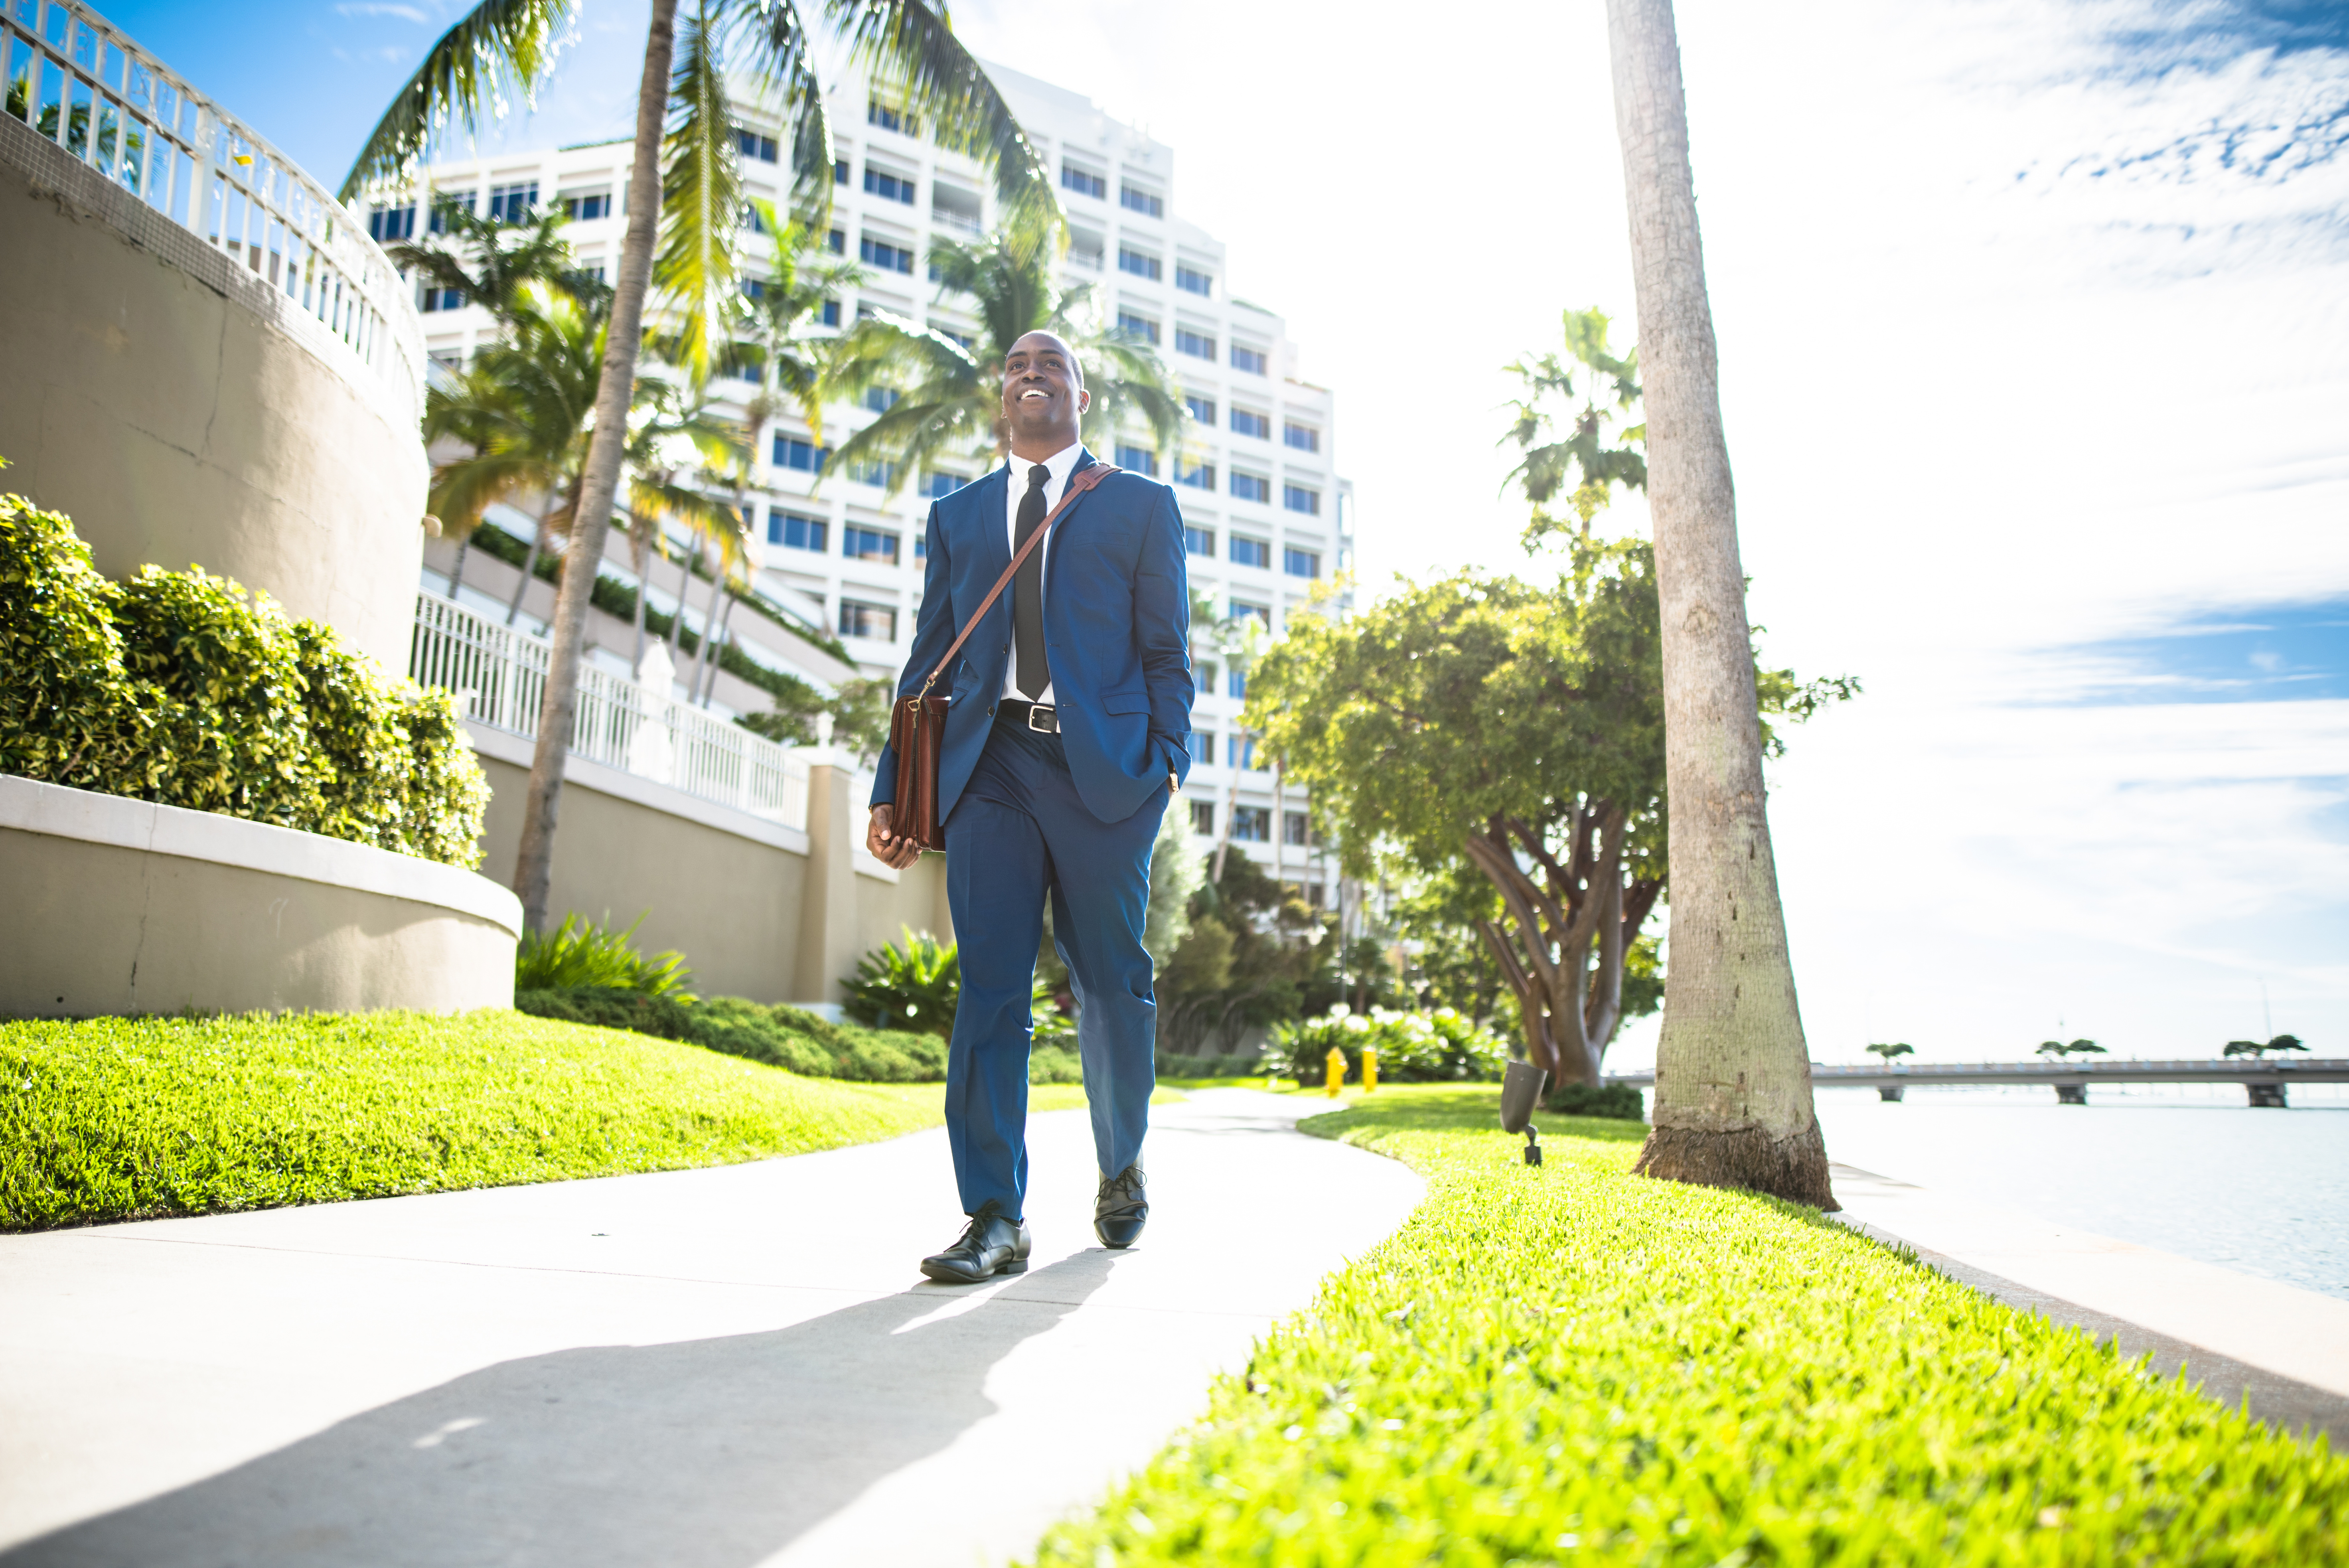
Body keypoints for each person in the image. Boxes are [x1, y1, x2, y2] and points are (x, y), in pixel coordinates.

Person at [865, 330, 1194, 1284]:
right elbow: (927, 662)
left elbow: (1167, 653)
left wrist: (1166, 763)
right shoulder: (959, 516)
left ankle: (1120, 1159)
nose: (1032, 375)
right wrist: (894, 785)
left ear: (1080, 396)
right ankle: (994, 1217)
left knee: (1112, 988)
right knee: (991, 994)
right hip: (988, 768)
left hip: (1107, 776)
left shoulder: (1138, 505)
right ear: (1001, 399)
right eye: (1017, 367)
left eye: (1051, 366)